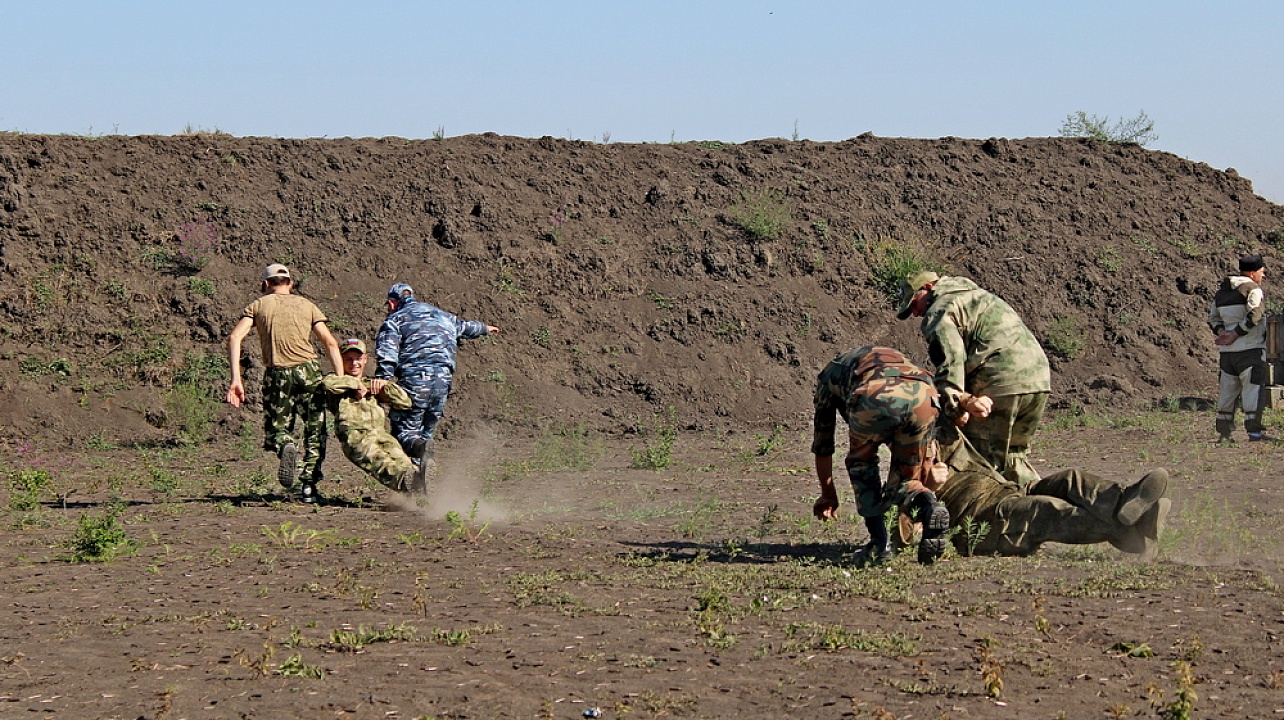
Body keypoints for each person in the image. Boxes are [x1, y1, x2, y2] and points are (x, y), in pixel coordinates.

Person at [912, 421, 1170, 559]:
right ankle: (1130, 533)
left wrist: (967, 403)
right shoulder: (905, 473)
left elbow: (955, 406)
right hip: (987, 521)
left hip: (1011, 490)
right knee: (1046, 511)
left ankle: (1125, 502)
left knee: (1069, 479)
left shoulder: (940, 434)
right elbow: (904, 531)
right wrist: (929, 490)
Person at [897, 270, 1051, 488]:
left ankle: (990, 516)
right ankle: (1043, 509)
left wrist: (955, 404)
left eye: (914, 304)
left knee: (980, 459)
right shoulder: (978, 296)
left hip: (998, 382)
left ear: (929, 288)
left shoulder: (940, 310)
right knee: (1014, 457)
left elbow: (952, 361)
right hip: (1037, 380)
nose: (915, 313)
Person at [811, 346, 950, 565]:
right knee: (908, 480)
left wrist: (828, 494)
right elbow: (923, 457)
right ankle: (929, 506)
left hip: (875, 394)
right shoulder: (896, 359)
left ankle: (879, 544)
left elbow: (823, 444)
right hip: (924, 392)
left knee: (861, 464)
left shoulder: (830, 374)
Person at [226, 263, 343, 503]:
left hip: (278, 373)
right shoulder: (307, 305)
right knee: (315, 429)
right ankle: (309, 487)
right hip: (309, 371)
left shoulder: (258, 305)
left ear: (266, 284)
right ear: (290, 283)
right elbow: (330, 343)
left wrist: (236, 379)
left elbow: (235, 337)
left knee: (276, 427)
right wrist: (341, 379)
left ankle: (285, 444)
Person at [374, 283, 500, 467]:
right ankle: (423, 484)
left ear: (392, 303)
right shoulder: (442, 315)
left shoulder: (396, 319)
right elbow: (465, 327)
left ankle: (419, 457)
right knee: (426, 432)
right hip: (443, 381)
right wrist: (485, 328)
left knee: (405, 432)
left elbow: (388, 352)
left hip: (415, 379)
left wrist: (383, 379)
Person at [322, 338, 429, 495]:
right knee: (383, 464)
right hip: (356, 437)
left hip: (380, 435)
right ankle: (415, 484)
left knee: (403, 462)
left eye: (358, 359)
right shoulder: (337, 381)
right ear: (341, 360)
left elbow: (405, 402)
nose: (354, 364)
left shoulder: (372, 384)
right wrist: (355, 384)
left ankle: (419, 493)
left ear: (365, 360)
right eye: (348, 360)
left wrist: (385, 386)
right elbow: (328, 384)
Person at [1208, 253, 1270, 442]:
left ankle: (1224, 434)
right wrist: (1236, 333)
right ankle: (1254, 432)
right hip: (1250, 350)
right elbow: (1254, 315)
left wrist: (1223, 333)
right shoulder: (1253, 289)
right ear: (1252, 273)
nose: (1263, 276)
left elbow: (1213, 319)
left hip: (1227, 354)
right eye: (1261, 272)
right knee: (1253, 390)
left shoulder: (1222, 293)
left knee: (1227, 393)